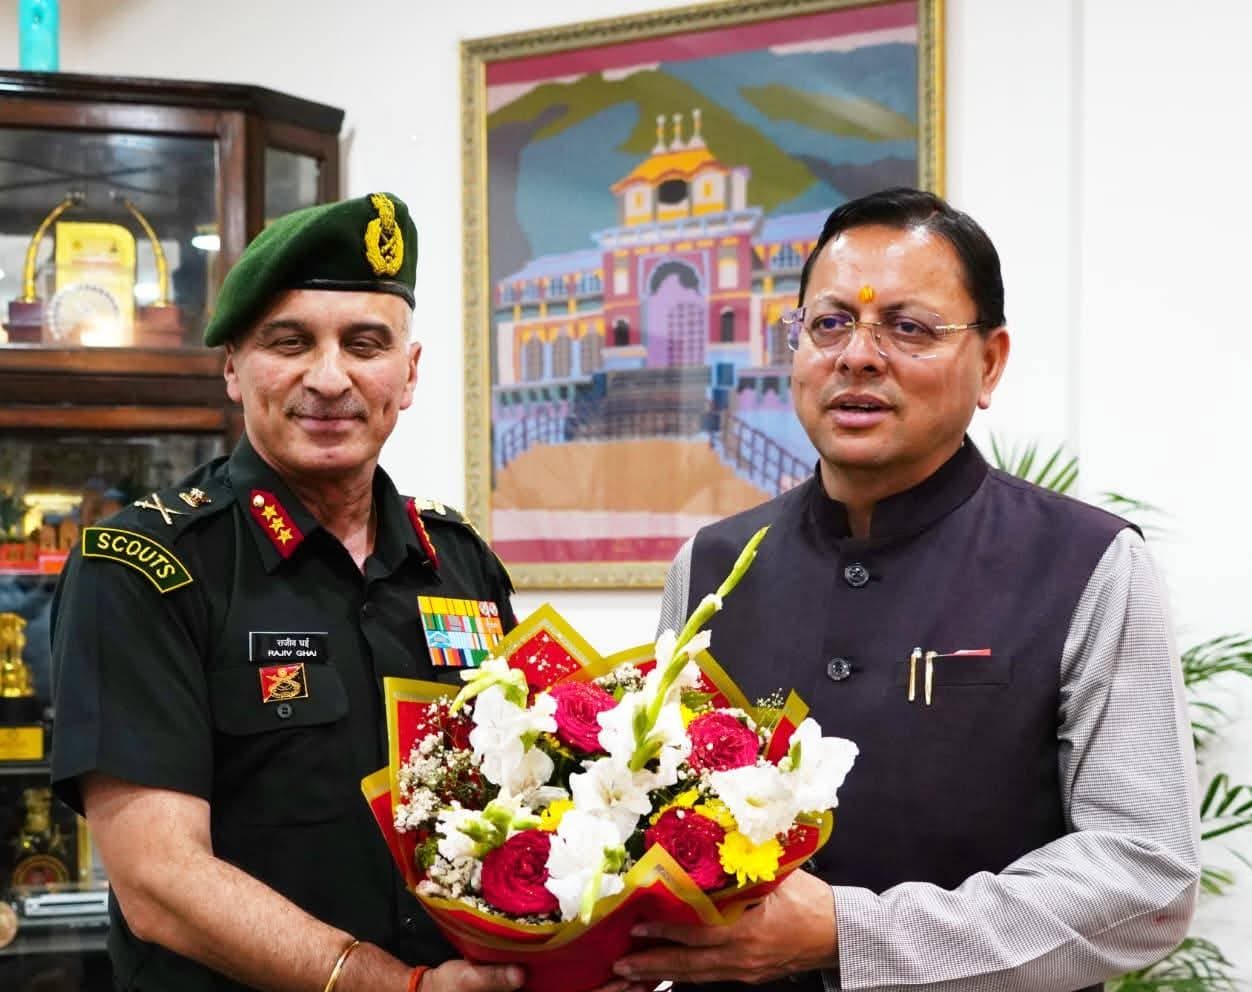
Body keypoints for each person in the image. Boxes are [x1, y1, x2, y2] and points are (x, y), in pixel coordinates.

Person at [612, 188, 1201, 991]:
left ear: (990, 362)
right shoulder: (713, 565)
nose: (858, 356)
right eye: (830, 324)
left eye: (909, 327)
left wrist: (848, 935)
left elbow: (1143, 876)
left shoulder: (1086, 563)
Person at [49, 193, 526, 992]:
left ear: (408, 373)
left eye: (365, 344)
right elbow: (159, 880)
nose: (330, 378)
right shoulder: (141, 567)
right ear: (233, 368)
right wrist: (394, 987)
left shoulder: (459, 561)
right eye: (290, 342)